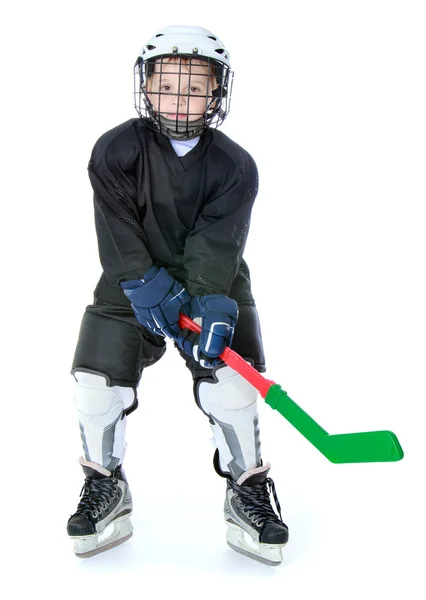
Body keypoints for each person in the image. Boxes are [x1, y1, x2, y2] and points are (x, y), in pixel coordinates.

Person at [67, 25, 289, 566]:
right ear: (148, 88)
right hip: (130, 280)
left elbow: (218, 241)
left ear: (217, 92)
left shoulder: (235, 165)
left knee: (233, 385)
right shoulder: (115, 149)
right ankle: (105, 486)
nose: (180, 100)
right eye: (167, 86)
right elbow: (116, 228)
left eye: (195, 88)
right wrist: (143, 284)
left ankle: (248, 488)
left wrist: (211, 298)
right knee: (96, 385)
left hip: (214, 282)